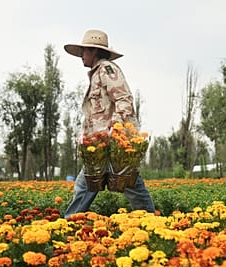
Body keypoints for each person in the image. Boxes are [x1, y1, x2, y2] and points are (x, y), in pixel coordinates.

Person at [63, 29, 156, 218]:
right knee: (88, 184)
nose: (81, 55)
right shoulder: (96, 74)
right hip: (101, 145)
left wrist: (116, 129)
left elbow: (124, 99)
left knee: (129, 184)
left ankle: (152, 222)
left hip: (113, 143)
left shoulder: (107, 69)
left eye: (84, 51)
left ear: (94, 52)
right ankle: (70, 221)